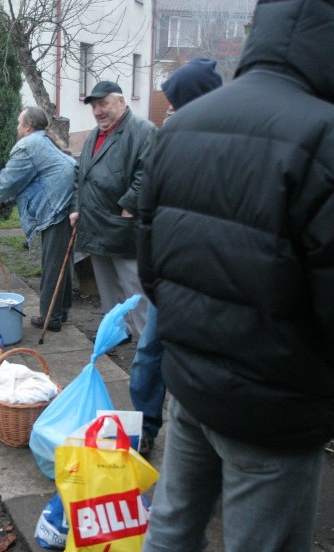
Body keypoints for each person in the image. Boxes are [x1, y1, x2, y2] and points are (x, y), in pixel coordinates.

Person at [137, 1, 334, 552]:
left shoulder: (182, 125)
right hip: (276, 402)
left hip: (191, 383)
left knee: (170, 526)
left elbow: (153, 268)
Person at [129, 58, 222, 457]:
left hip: (211, 278)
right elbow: (150, 215)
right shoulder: (168, 141)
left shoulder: (225, 144)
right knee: (149, 352)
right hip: (170, 275)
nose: (167, 110)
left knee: (204, 364)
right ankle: (145, 426)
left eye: (175, 101)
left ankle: (210, 446)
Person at [70, 81, 156, 337]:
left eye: (103, 104)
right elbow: (81, 175)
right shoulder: (95, 135)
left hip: (124, 226)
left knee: (136, 289)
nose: (98, 111)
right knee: (108, 288)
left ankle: (148, 342)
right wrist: (77, 207)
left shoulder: (143, 131)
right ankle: (118, 332)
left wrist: (127, 209)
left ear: (121, 102)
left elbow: (148, 176)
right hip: (95, 224)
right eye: (94, 106)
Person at [0, 107, 75, 331]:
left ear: (28, 126)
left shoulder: (28, 145)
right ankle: (60, 312)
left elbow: (9, 179)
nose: (16, 127)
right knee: (62, 262)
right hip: (67, 203)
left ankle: (50, 318)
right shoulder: (43, 142)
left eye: (19, 123)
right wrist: (0, 203)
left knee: (53, 264)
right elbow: (28, 183)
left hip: (57, 207)